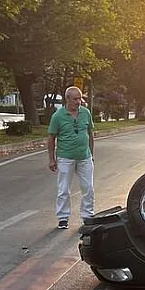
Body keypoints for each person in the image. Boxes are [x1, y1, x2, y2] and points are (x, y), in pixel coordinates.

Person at [47, 86, 95, 229]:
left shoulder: (86, 113)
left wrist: (91, 154)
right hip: (65, 157)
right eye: (75, 99)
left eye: (80, 98)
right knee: (63, 189)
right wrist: (51, 159)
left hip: (84, 157)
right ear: (67, 99)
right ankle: (63, 217)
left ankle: (87, 216)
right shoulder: (58, 116)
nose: (78, 101)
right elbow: (51, 138)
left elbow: (90, 134)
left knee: (88, 188)